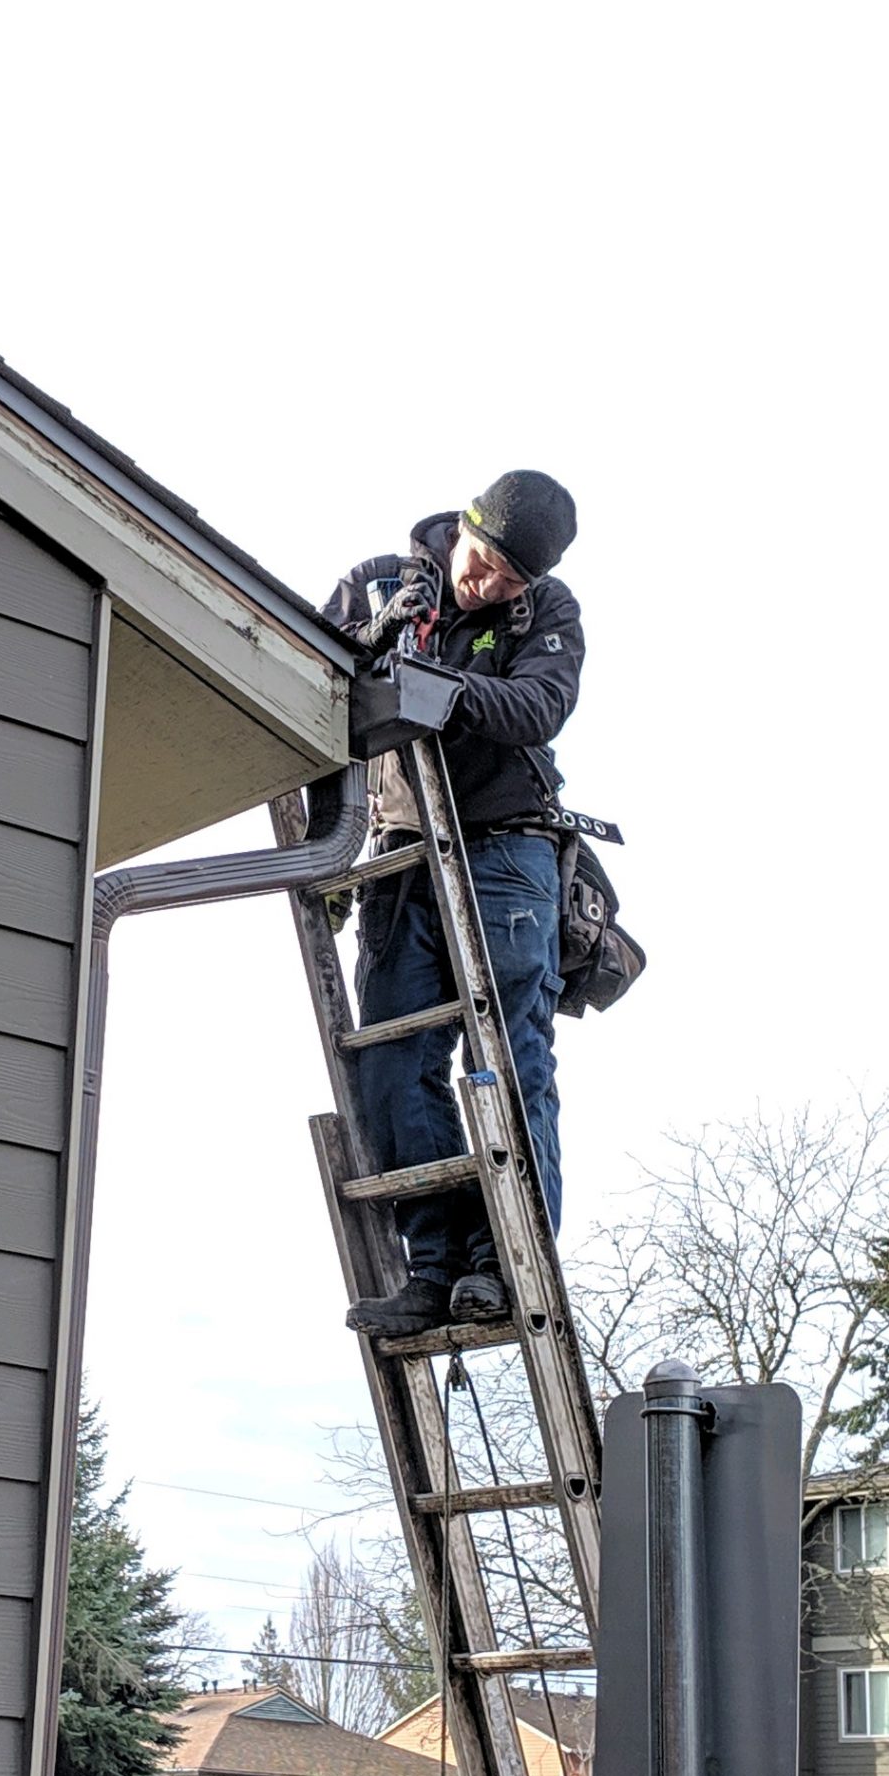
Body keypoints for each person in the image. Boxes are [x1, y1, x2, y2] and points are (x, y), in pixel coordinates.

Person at [324, 469, 582, 1337]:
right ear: (459, 530)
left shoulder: (546, 615)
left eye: (513, 580)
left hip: (507, 847)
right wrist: (324, 855)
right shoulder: (377, 587)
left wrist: (438, 692)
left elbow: (541, 704)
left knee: (511, 1056)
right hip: (401, 847)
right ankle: (433, 1267)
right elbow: (312, 696)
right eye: (484, 564)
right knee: (396, 1063)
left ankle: (505, 1261)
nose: (491, 586)